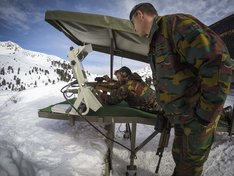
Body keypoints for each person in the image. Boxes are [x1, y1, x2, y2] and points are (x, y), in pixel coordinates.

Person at [129, 3, 232, 176]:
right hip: (182, 118)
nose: (133, 29)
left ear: (140, 15)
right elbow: (171, 83)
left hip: (196, 119)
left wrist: (205, 114)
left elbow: (218, 61)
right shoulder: (156, 42)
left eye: (133, 24)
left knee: (189, 167)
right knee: (181, 161)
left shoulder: (175, 25)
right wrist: (166, 111)